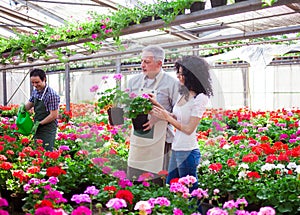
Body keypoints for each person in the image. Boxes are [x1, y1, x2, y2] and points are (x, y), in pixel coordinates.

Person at [150, 55, 213, 192]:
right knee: (171, 187)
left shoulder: (200, 98)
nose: (178, 76)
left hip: (188, 151)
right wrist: (156, 103)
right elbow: (175, 117)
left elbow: (189, 129)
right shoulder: (183, 94)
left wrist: (167, 117)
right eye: (177, 72)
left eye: (182, 73)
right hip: (177, 148)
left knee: (189, 193)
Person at [127, 45, 180, 184]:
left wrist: (160, 116)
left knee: (156, 182)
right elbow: (125, 106)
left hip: (161, 142)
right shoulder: (133, 82)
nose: (142, 65)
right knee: (134, 179)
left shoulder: (172, 84)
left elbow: (178, 116)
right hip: (139, 138)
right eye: (142, 61)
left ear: (159, 63)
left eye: (147, 62)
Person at [24, 68, 60, 151]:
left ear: (44, 79)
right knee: (37, 150)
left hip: (48, 128)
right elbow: (31, 103)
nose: (35, 85)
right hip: (37, 125)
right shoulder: (36, 91)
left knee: (47, 151)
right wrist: (22, 109)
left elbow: (53, 115)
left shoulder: (51, 95)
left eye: (37, 82)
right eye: (32, 82)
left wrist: (39, 124)